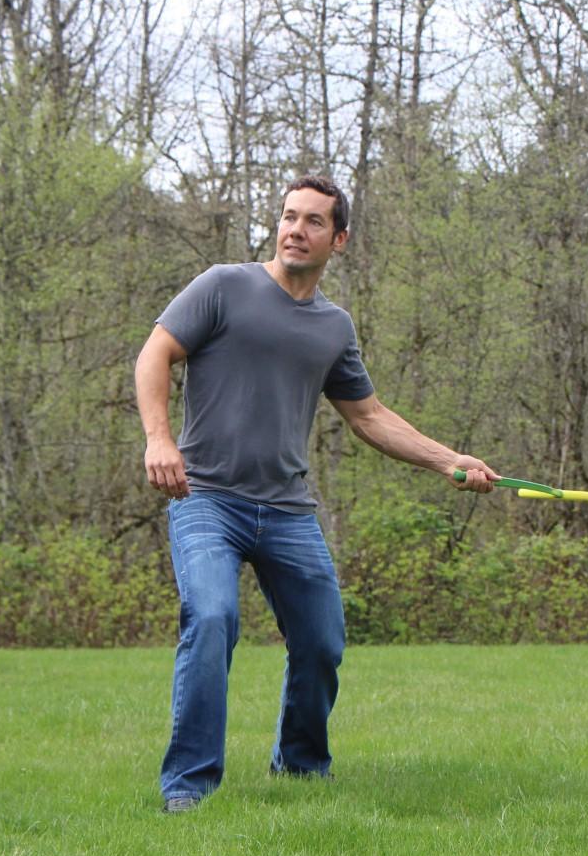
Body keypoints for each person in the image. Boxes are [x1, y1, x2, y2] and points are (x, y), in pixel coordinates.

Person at [135, 175, 498, 814]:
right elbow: (154, 354)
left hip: (286, 510)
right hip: (206, 497)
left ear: (340, 239)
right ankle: (188, 785)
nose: (296, 230)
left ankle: (301, 768)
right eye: (288, 216)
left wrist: (448, 461)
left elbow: (368, 416)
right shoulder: (224, 286)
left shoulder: (334, 327)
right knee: (212, 618)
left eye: (313, 221)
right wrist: (159, 439)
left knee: (323, 641)